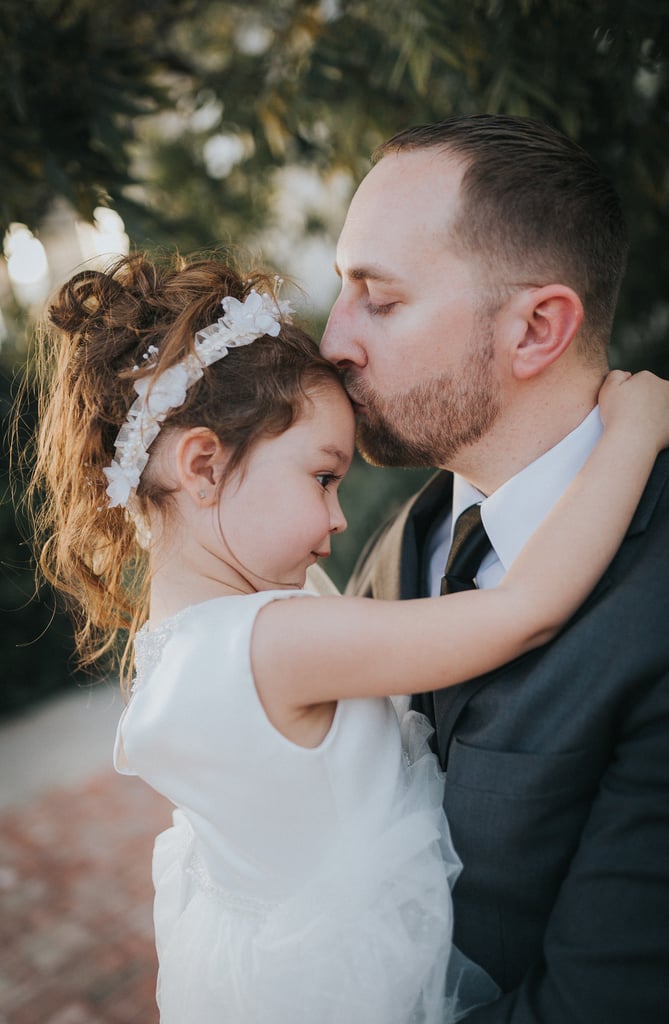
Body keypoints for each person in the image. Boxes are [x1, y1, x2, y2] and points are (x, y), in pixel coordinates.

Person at [26, 253, 668, 1024]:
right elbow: (523, 610)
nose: (336, 521)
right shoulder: (277, 640)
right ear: (202, 463)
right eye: (323, 478)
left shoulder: (176, 644)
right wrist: (631, 435)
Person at [320, 113, 669, 1022]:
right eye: (340, 292)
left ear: (535, 329)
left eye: (379, 300)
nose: (332, 343)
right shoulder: (405, 539)